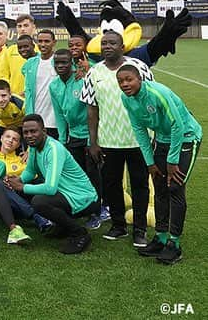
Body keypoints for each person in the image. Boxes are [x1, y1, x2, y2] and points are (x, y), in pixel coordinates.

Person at [116, 65, 202, 264]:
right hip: (162, 140)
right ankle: (161, 237)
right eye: (121, 81)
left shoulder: (157, 92)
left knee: (175, 188)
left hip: (187, 137)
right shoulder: (126, 99)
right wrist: (150, 162)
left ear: (140, 79)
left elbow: (177, 125)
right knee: (160, 187)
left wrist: (172, 161)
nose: (125, 84)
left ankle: (174, 244)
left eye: (129, 79)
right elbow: (139, 129)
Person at [81, 30, 152, 247]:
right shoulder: (94, 72)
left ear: (122, 47)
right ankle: (119, 225)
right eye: (104, 43)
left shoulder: (139, 67)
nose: (107, 47)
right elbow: (92, 109)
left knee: (140, 184)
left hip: (138, 139)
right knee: (111, 185)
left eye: (112, 43)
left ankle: (139, 230)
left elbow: (152, 98)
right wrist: (93, 142)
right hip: (108, 140)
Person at [5, 115, 99, 254]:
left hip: (84, 198)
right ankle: (62, 227)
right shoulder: (35, 147)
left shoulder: (54, 149)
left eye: (34, 131)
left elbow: (50, 188)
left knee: (39, 201)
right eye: (26, 132)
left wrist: (22, 187)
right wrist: (19, 180)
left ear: (44, 131)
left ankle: (80, 234)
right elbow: (31, 170)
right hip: (64, 193)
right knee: (32, 189)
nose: (29, 135)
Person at [49, 48, 106, 228]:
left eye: (64, 62)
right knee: (77, 176)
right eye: (57, 63)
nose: (60, 66)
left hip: (89, 136)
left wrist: (92, 140)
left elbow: (93, 110)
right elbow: (59, 114)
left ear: (71, 63)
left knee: (93, 175)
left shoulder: (81, 80)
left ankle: (97, 212)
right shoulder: (54, 86)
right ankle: (82, 208)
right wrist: (62, 139)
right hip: (72, 136)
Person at [21, 30, 58, 137]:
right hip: (36, 118)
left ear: (54, 42)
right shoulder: (30, 63)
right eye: (40, 41)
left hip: (55, 119)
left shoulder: (59, 61)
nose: (43, 44)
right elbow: (28, 87)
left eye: (47, 41)